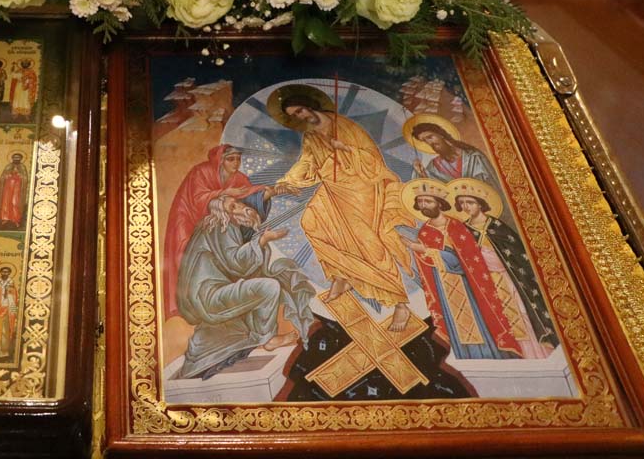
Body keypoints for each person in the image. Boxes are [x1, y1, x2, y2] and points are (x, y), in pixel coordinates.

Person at [269, 86, 417, 331]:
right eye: (294, 116)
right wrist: (287, 181)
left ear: (310, 106)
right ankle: (342, 274)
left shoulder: (344, 125)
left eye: (300, 111)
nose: (300, 117)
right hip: (333, 187)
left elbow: (372, 158)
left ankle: (399, 302)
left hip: (360, 187)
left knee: (368, 243)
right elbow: (307, 162)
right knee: (311, 223)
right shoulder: (310, 136)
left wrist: (346, 149)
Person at [175, 197, 315, 379]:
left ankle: (263, 335)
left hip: (207, 296)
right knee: (268, 287)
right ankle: (268, 338)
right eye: (233, 206)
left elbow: (234, 265)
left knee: (263, 280)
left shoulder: (213, 228)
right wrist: (263, 240)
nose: (242, 207)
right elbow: (236, 263)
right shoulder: (222, 226)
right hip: (210, 298)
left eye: (238, 203)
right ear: (223, 213)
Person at [400, 184, 522, 359]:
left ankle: (492, 355)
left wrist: (424, 250)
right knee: (458, 327)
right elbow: (427, 268)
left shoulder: (456, 226)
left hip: (469, 286)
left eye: (428, 201)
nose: (424, 205)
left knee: (478, 322)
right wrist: (423, 251)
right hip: (444, 289)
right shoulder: (424, 232)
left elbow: (465, 260)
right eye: (420, 202)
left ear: (439, 203)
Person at [163, 145, 266, 319]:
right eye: (231, 159)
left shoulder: (239, 178)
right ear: (220, 160)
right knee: (184, 254)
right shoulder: (201, 171)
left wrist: (273, 191)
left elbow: (251, 194)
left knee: (223, 252)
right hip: (187, 216)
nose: (236, 163)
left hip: (216, 221)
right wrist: (225, 192)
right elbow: (196, 198)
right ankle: (186, 299)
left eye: (238, 159)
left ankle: (223, 294)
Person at [454, 186, 559, 355]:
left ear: (480, 204)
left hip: (512, 278)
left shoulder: (496, 226)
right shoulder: (463, 231)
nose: (466, 206)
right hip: (489, 283)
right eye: (462, 203)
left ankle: (542, 350)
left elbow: (517, 252)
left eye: (470, 202)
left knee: (523, 312)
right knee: (506, 318)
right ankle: (522, 354)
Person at [407, 116, 501, 190]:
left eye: (430, 137)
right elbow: (429, 189)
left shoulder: (473, 156)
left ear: (440, 134)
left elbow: (493, 184)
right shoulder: (434, 166)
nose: (429, 143)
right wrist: (420, 173)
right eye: (424, 141)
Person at [0, 153, 28, 228]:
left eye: (18, 158)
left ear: (20, 159)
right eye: (15, 157)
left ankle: (16, 219)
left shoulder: (22, 167)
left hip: (17, 188)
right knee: (6, 203)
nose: (16, 159)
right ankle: (5, 218)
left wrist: (19, 174)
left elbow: (25, 178)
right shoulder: (8, 166)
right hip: (7, 188)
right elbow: (3, 177)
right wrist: (8, 175)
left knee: (15, 203)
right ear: (12, 158)